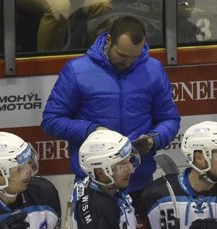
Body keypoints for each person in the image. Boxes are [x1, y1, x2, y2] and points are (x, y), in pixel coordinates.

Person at [41, 16, 180, 195]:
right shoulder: (76, 71)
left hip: (139, 182)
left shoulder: (153, 69)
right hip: (93, 184)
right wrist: (93, 130)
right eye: (122, 55)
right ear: (108, 41)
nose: (128, 63)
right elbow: (52, 120)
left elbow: (169, 119)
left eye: (135, 57)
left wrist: (154, 139)